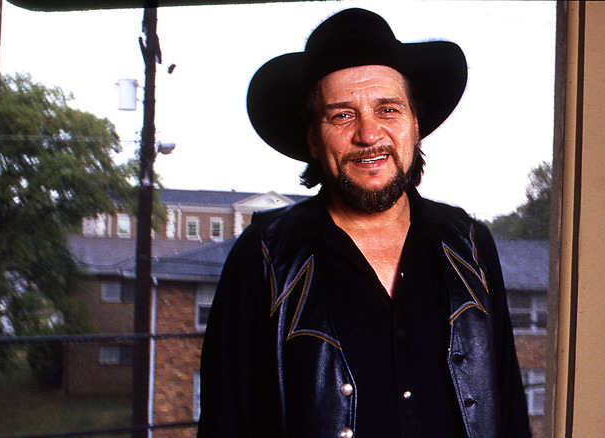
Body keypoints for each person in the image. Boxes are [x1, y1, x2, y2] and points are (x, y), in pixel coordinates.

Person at [198, 8, 531, 438]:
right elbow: (226, 424)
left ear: (415, 124)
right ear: (314, 139)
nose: (368, 134)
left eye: (387, 110)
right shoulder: (265, 258)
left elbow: (509, 414)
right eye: (342, 115)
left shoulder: (470, 246)